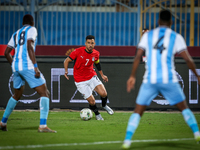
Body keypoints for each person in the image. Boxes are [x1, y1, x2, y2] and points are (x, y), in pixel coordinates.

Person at [122, 10, 200, 149]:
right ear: (171, 22)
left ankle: (127, 141)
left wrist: (132, 76)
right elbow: (188, 59)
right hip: (168, 79)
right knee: (184, 108)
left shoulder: (148, 35)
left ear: (158, 21)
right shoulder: (176, 37)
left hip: (150, 80)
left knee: (138, 111)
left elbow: (137, 56)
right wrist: (198, 76)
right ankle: (197, 133)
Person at [0, 14, 56, 133]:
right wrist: (35, 67)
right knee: (45, 93)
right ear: (33, 22)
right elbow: (30, 45)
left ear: (22, 23)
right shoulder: (32, 30)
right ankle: (42, 126)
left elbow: (6, 52)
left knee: (17, 96)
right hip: (28, 66)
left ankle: (3, 122)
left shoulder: (16, 33)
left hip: (16, 67)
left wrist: (14, 65)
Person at [64, 35, 114, 120]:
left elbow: (97, 63)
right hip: (80, 81)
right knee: (92, 101)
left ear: (94, 44)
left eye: (92, 43)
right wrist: (66, 71)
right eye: (88, 43)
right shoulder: (77, 51)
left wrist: (102, 75)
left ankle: (104, 105)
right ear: (85, 43)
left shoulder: (96, 53)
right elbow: (67, 60)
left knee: (104, 93)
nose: (90, 45)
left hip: (91, 76)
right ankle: (97, 114)